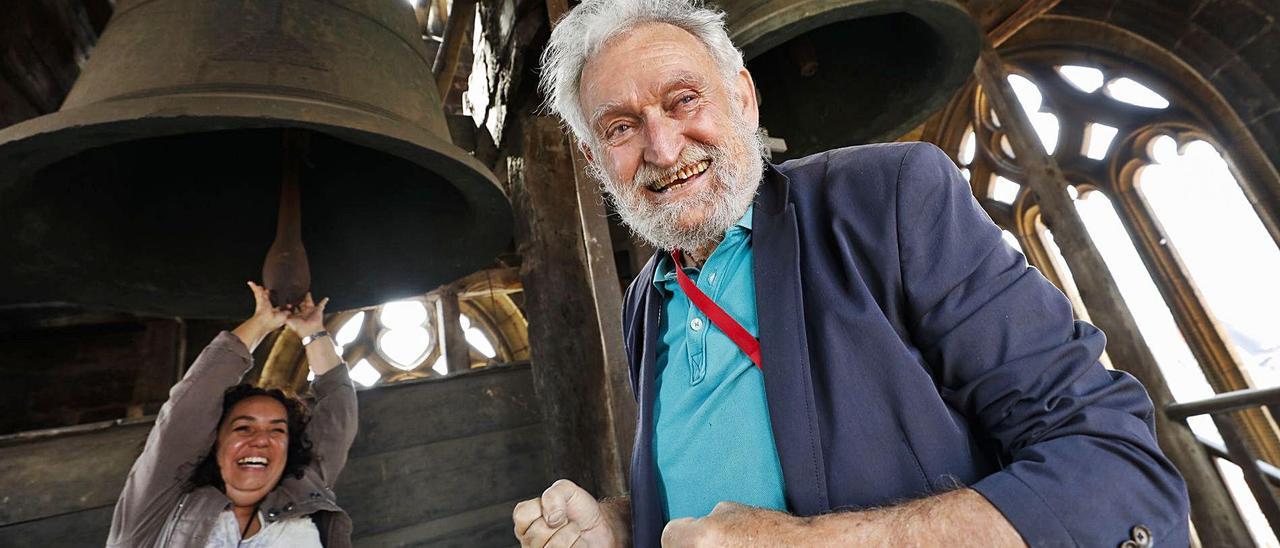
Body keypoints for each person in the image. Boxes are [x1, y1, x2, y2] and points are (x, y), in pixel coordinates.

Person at [513, 0, 1190, 546]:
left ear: (743, 98)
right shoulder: (645, 302)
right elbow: (719, 490)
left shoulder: (893, 197)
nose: (662, 147)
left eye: (683, 100)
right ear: (596, 157)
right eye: (622, 127)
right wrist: (624, 525)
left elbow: (1115, 471)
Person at [107, 282, 357, 547]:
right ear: (214, 443)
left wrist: (312, 332)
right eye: (243, 428)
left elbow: (338, 410)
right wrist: (260, 323)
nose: (261, 439)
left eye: (277, 430)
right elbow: (190, 406)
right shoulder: (159, 504)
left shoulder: (304, 488)